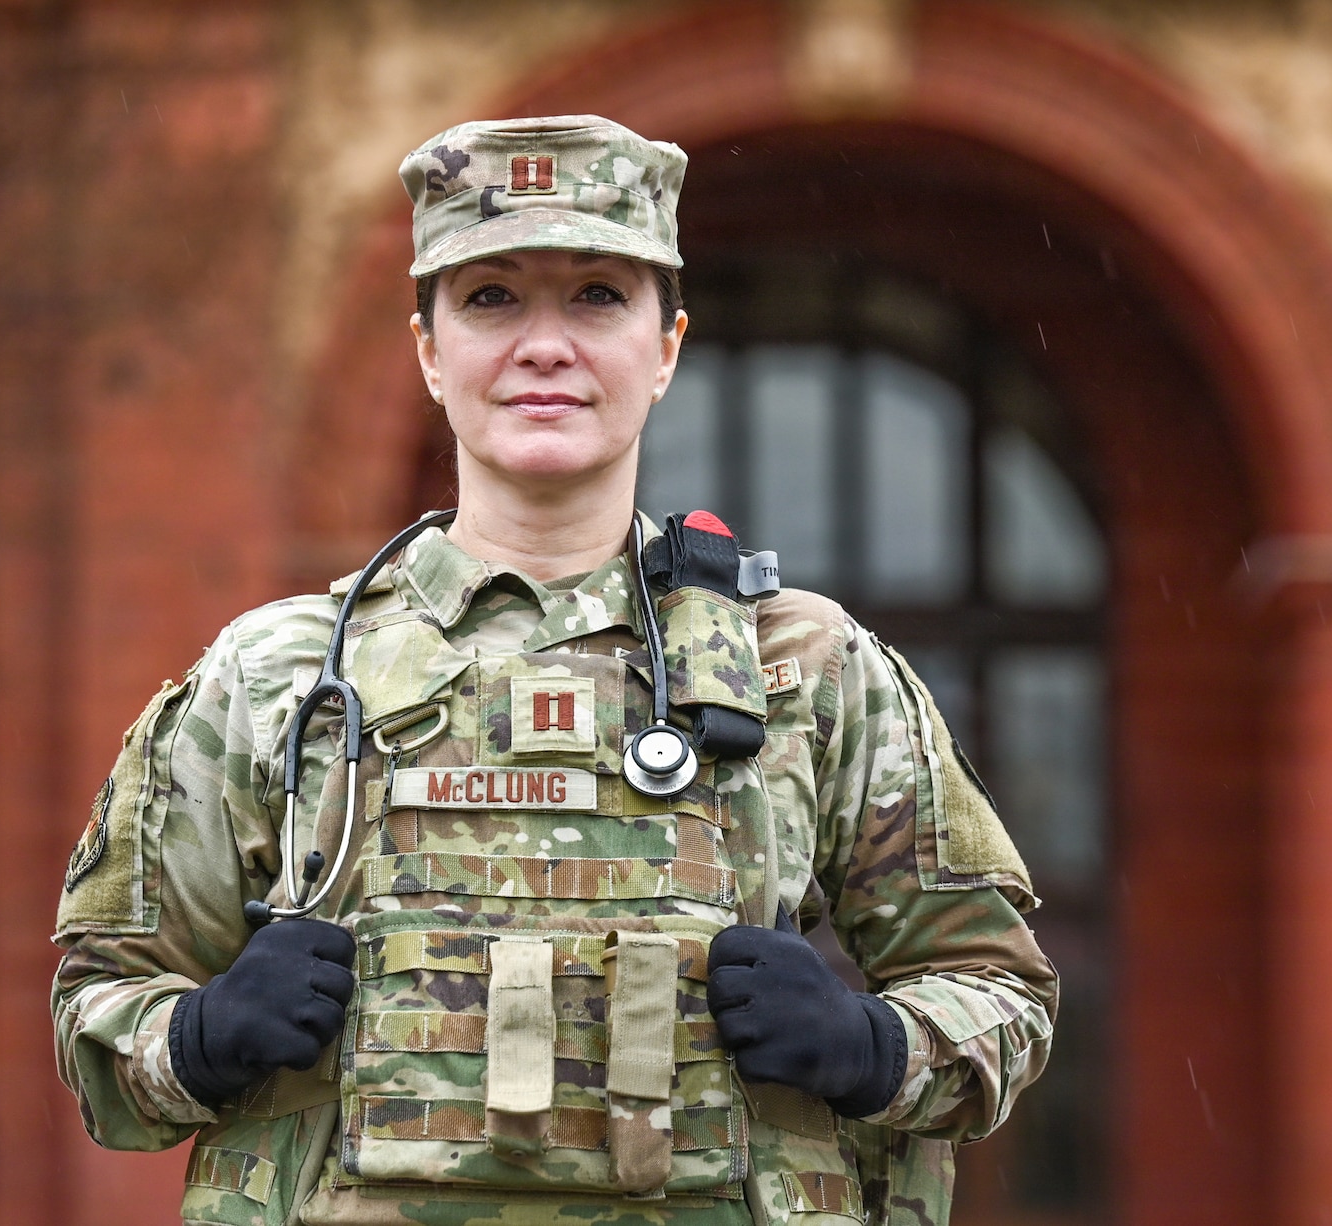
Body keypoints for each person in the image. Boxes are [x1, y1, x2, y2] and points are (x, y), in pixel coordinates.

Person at [52, 114, 1056, 1226]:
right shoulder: (277, 675)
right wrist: (195, 1040)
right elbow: (99, 1017)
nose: (543, 344)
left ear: (664, 346)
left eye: (595, 296)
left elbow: (998, 994)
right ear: (429, 349)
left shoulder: (806, 665)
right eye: (490, 299)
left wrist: (872, 1048)